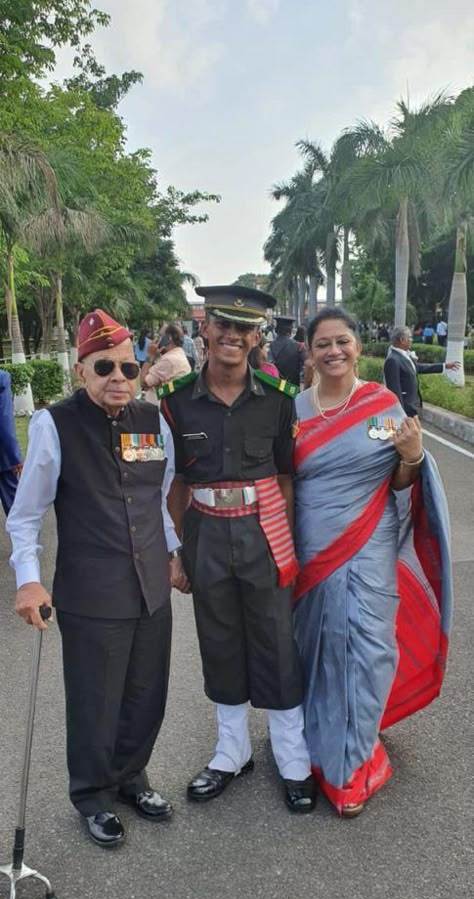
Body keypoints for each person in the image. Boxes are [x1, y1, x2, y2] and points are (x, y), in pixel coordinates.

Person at [6, 309, 186, 848]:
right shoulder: (53, 425)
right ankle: (91, 794)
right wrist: (29, 579)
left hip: (150, 582)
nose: (118, 379)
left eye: (128, 369)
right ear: (80, 370)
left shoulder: (154, 422)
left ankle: (132, 777)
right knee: (95, 699)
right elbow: (26, 515)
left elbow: (157, 498)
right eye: (103, 366)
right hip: (92, 590)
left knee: (146, 693)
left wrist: (174, 552)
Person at [162, 285, 316, 813]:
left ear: (257, 337)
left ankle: (292, 755)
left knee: (275, 639)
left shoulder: (278, 401)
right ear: (204, 329)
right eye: (222, 325)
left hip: (265, 531)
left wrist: (287, 540)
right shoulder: (176, 401)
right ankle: (231, 751)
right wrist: (180, 549)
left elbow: (287, 476)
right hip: (205, 533)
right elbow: (173, 484)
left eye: (244, 328)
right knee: (219, 639)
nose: (232, 336)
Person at [293, 307, 452, 817]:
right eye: (323, 344)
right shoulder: (292, 411)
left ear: (358, 347)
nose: (334, 351)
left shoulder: (384, 406)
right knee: (320, 649)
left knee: (370, 649)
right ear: (310, 352)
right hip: (312, 550)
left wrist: (411, 455)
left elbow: (401, 484)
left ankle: (354, 761)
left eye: (343, 341)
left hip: (370, 544)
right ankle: (322, 747)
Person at [383, 326, 459, 415]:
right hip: (405, 409)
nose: (411, 340)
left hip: (412, 406)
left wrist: (443, 366)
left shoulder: (404, 355)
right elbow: (394, 390)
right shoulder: (393, 359)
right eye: (409, 338)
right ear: (402, 340)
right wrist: (400, 413)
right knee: (413, 429)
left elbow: (418, 368)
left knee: (415, 429)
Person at [142, 323, 191, 404]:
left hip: (158, 409)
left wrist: (149, 356)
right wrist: (156, 356)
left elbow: (144, 383)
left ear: (168, 339)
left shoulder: (168, 360)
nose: (157, 340)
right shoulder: (178, 354)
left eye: (160, 336)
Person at [0, 368, 23, 515]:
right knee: (16, 511)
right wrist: (15, 457)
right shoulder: (2, 378)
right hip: (2, 458)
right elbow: (4, 419)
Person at [268, 316, 302, 385]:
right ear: (290, 330)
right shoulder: (298, 346)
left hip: (277, 384)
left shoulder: (272, 345)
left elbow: (269, 363)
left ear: (276, 330)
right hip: (293, 387)